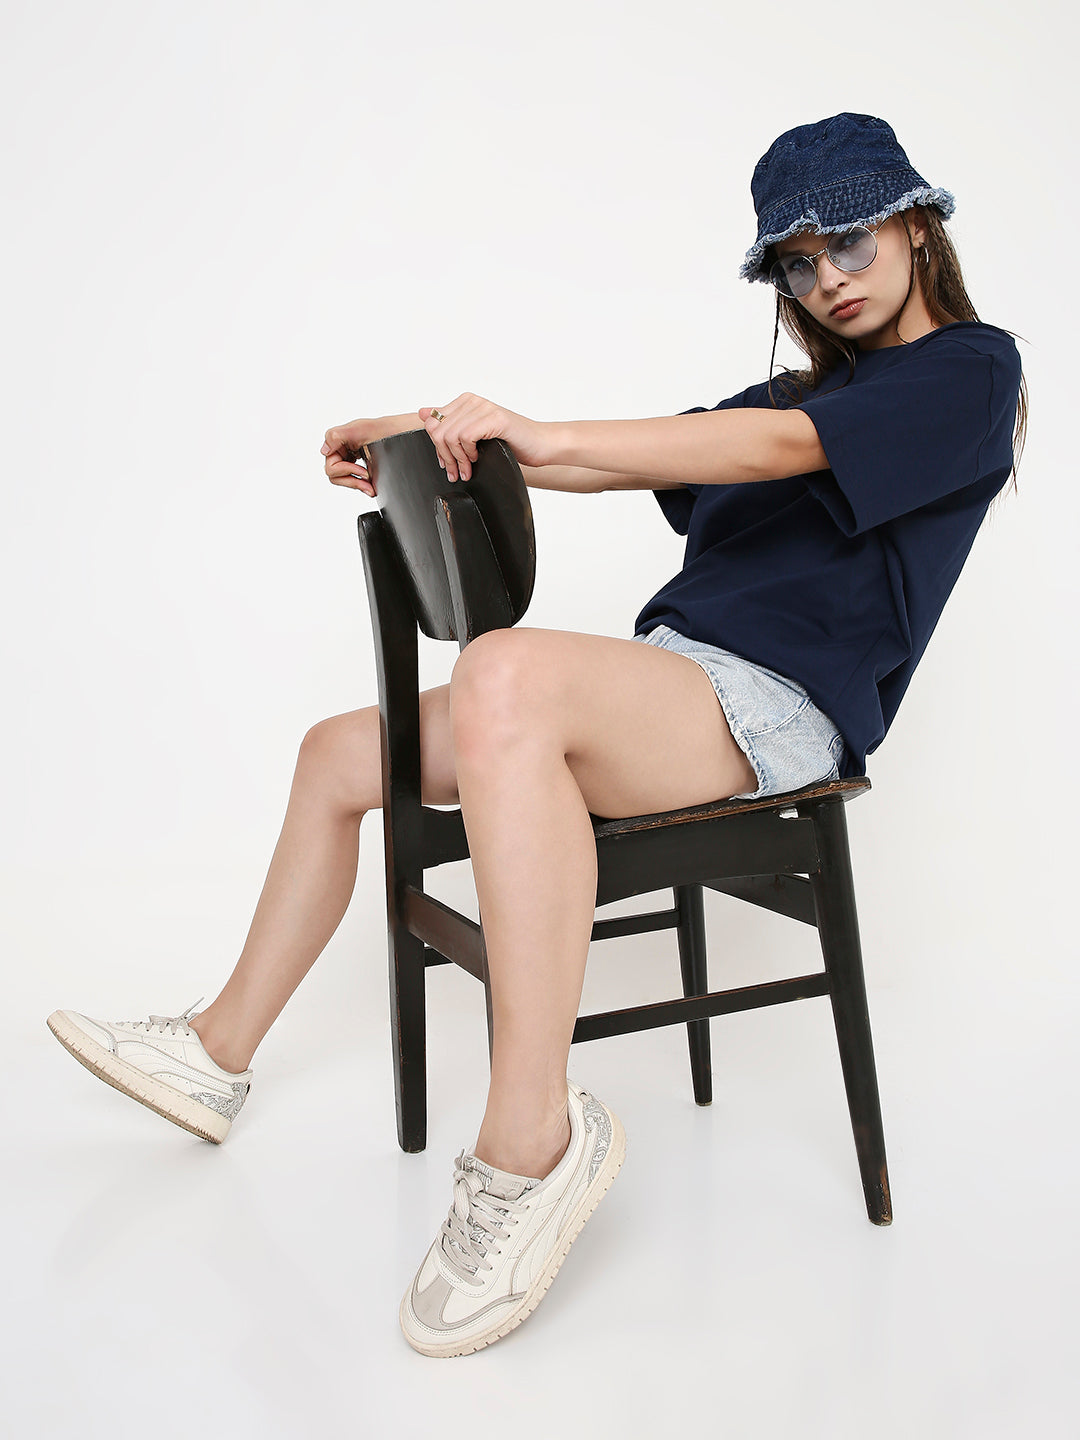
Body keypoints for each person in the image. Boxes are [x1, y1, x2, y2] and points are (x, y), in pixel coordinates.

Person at [47, 113, 1027, 1358]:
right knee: (342, 752)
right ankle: (215, 1052)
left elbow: (785, 449)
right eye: (794, 258)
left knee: (506, 668)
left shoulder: (970, 372)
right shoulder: (782, 394)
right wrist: (419, 435)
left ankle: (532, 1142)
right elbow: (624, 461)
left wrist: (543, 435)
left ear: (915, 224)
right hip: (673, 685)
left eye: (848, 237)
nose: (825, 274)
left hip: (777, 709)